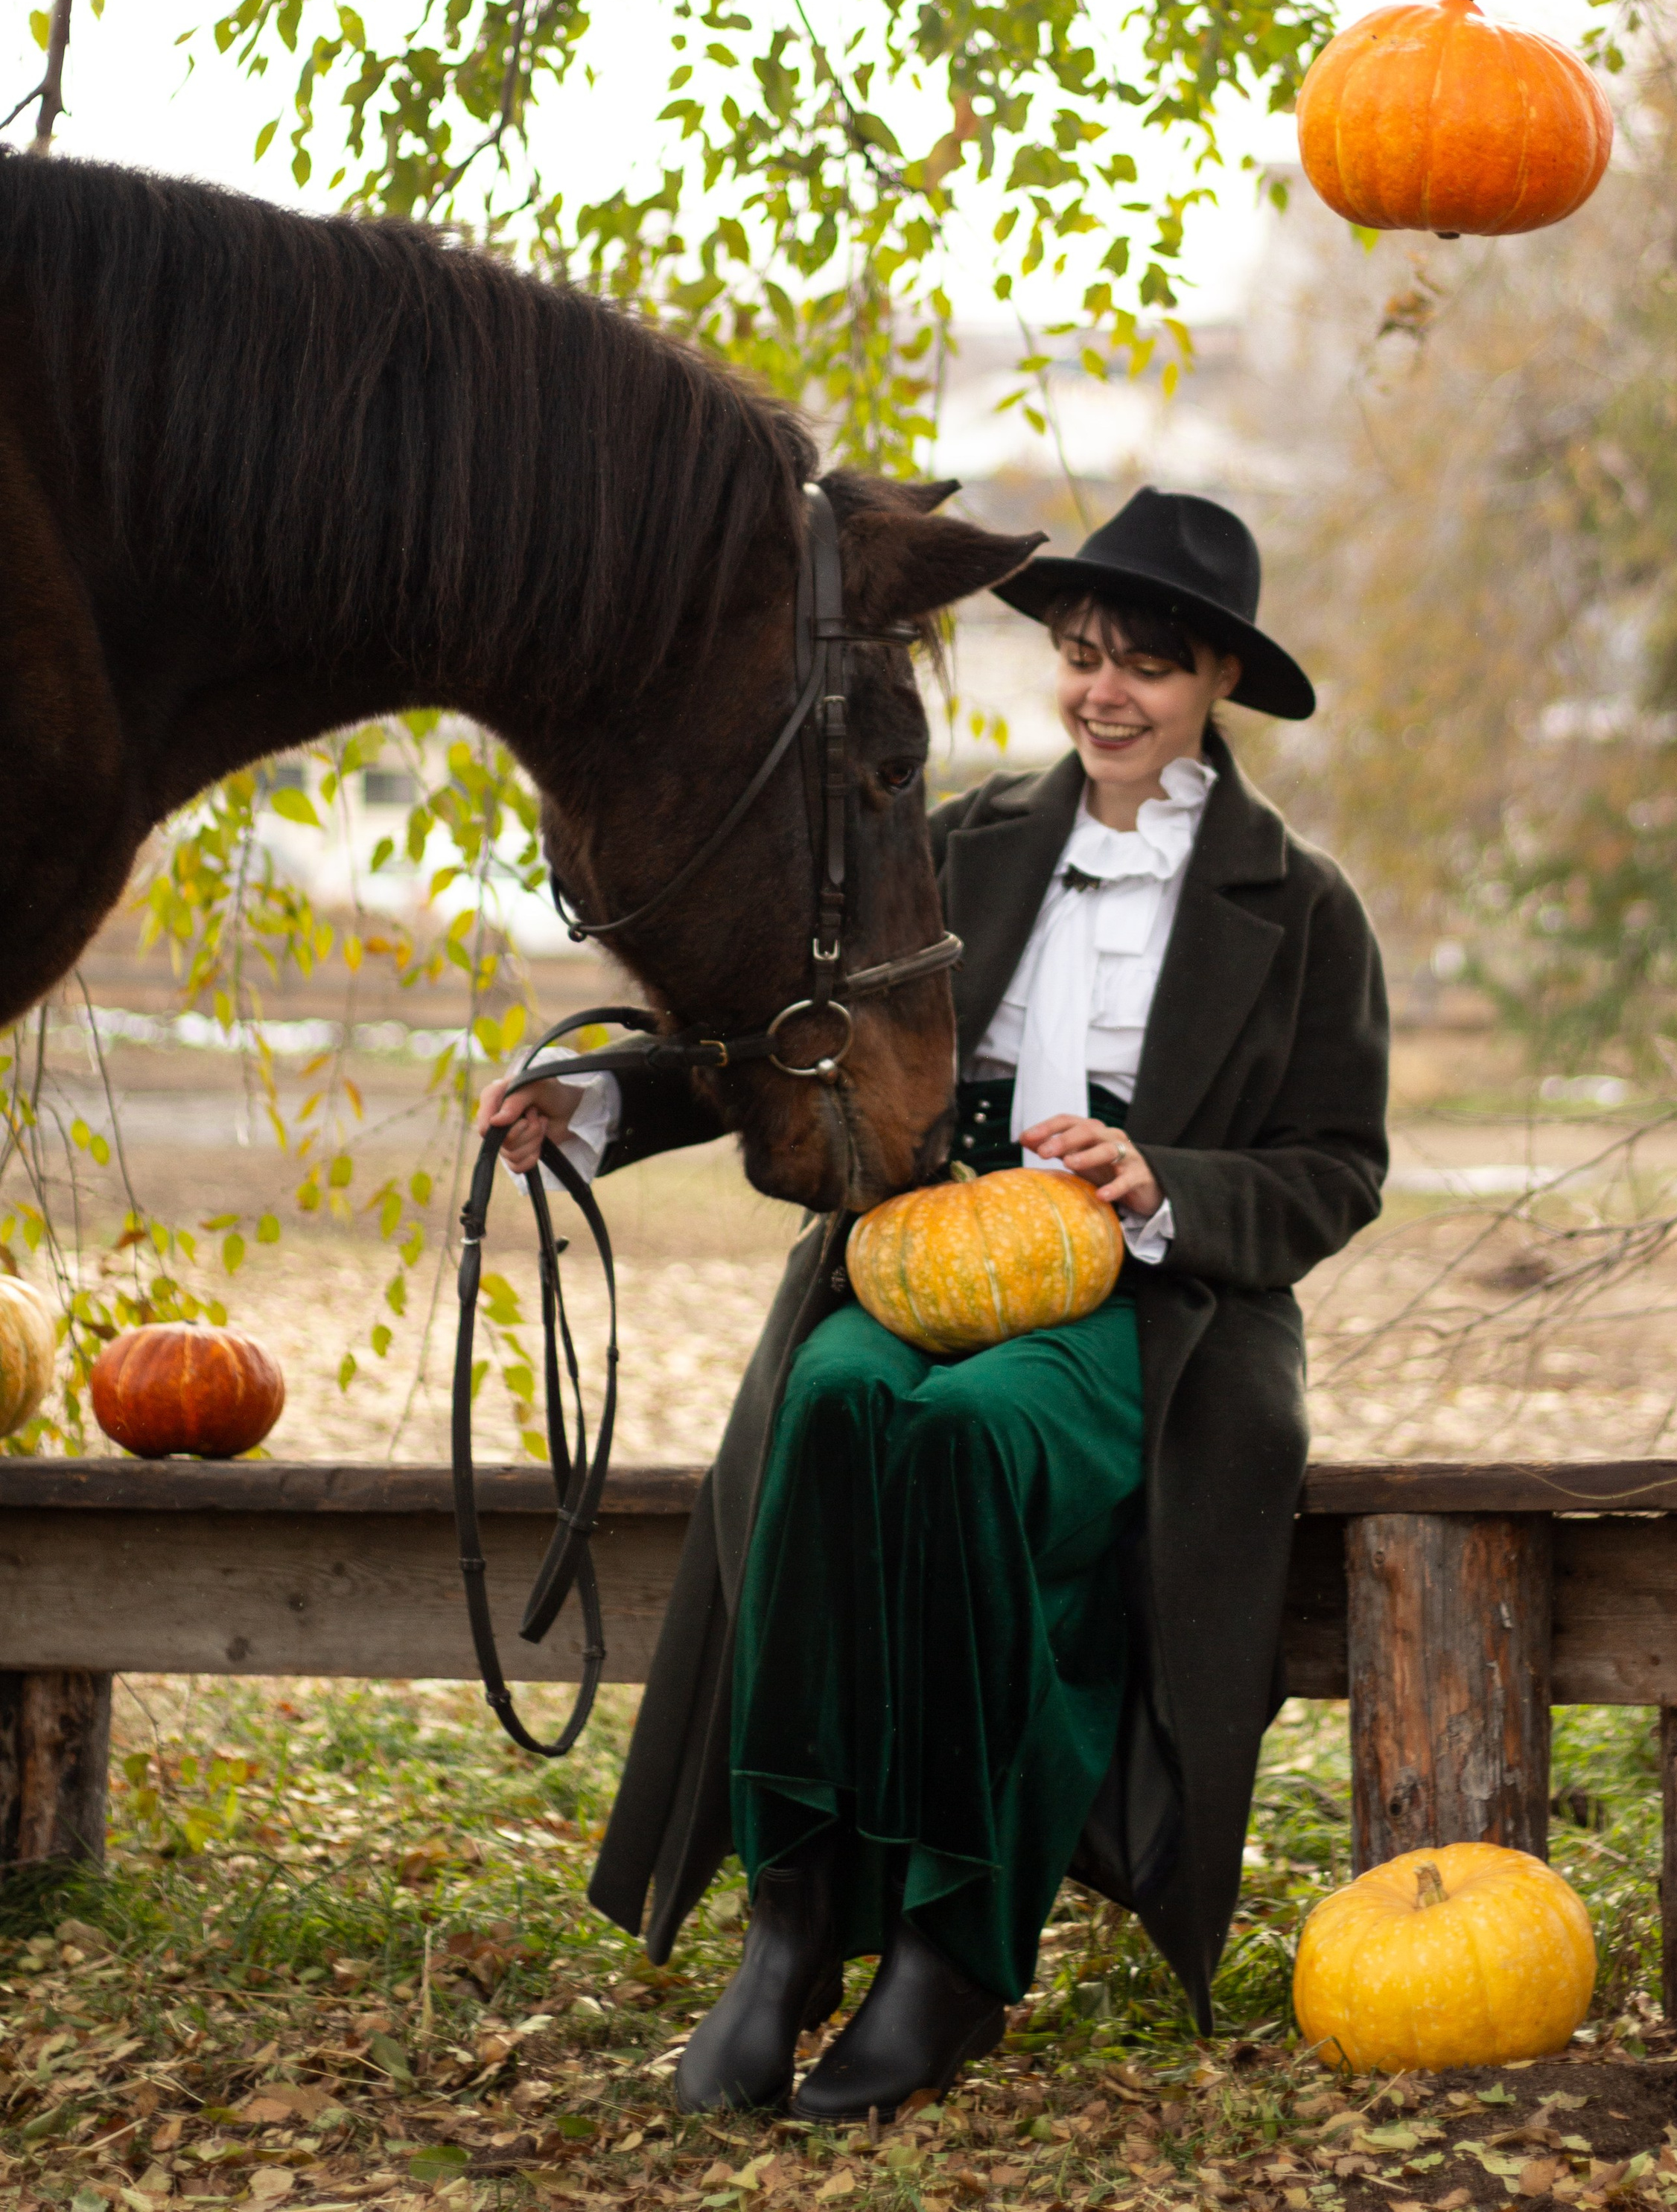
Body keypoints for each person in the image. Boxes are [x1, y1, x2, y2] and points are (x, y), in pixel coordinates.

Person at [479, 485, 1389, 2121]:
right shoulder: (960, 838)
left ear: (1217, 685)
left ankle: (952, 1946)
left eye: (1148, 669)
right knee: (833, 1405)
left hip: (1144, 1303)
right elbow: (790, 1028)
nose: (1104, 693)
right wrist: (596, 1106)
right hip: (919, 1241)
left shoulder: (1300, 904)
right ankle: (796, 1909)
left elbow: (1335, 1164)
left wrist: (1160, 1178)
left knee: (973, 1436)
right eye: (1083, 657)